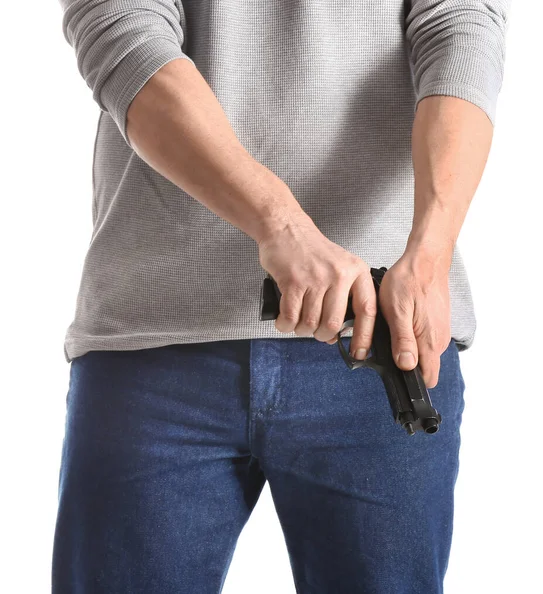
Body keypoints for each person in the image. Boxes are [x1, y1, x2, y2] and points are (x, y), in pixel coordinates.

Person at [52, 0, 510, 592]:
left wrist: (432, 250)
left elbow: (462, 27)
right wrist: (280, 223)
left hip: (385, 333)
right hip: (156, 338)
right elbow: (122, 33)